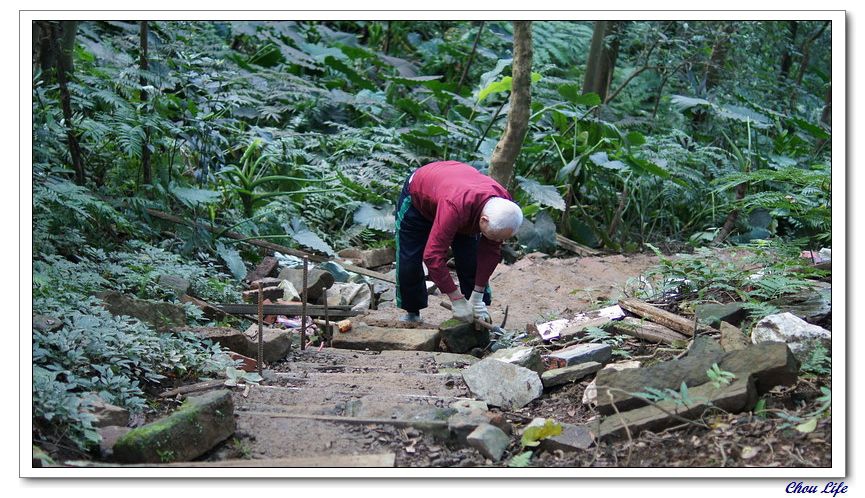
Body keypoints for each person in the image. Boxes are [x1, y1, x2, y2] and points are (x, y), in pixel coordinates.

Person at [394, 160, 523, 324]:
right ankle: (412, 312)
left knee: (471, 260)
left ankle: (476, 308)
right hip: (419, 200)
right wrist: (456, 298)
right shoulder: (454, 207)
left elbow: (490, 252)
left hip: (462, 202)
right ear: (483, 220)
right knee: (409, 260)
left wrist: (478, 295)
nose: (498, 242)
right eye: (495, 236)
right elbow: (432, 257)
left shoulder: (503, 206)